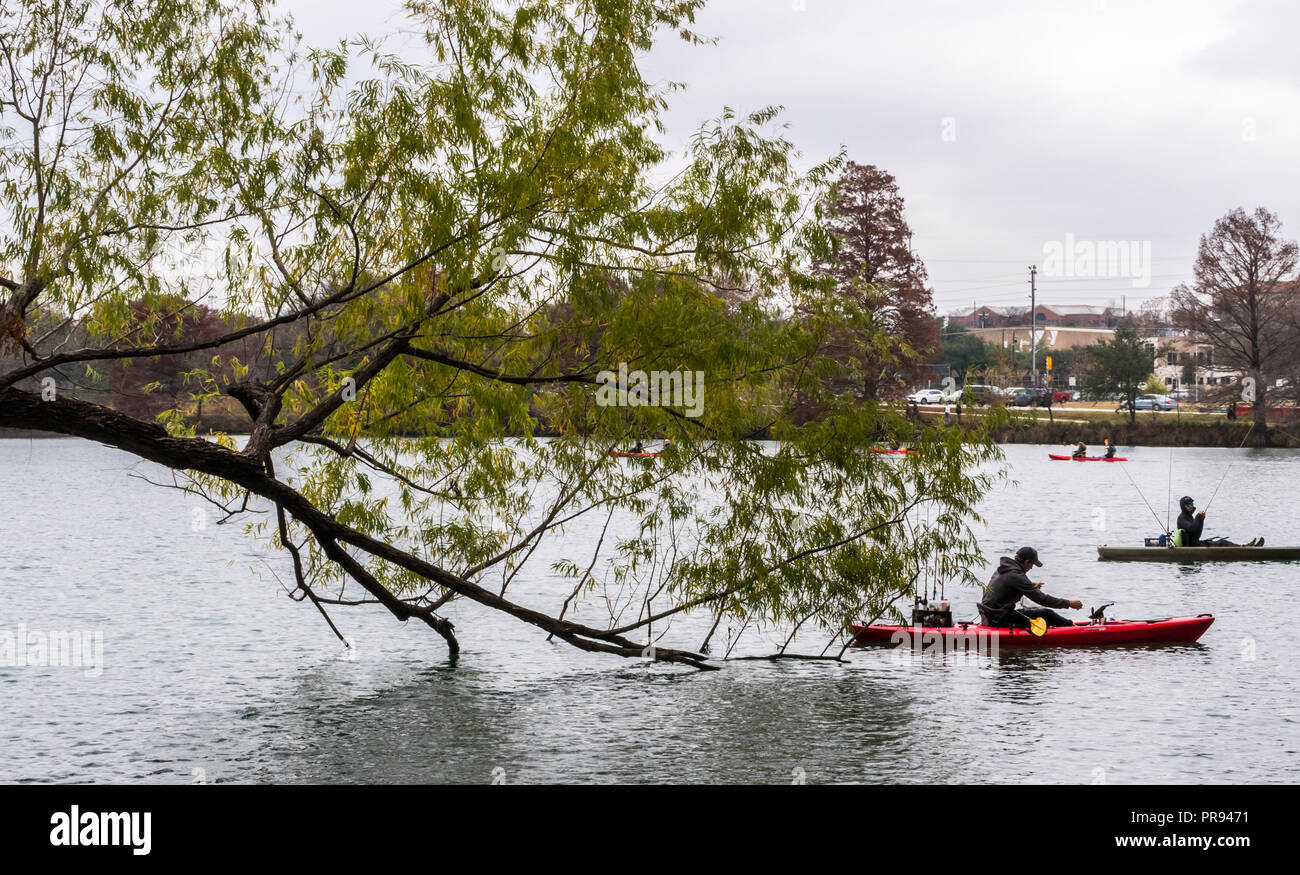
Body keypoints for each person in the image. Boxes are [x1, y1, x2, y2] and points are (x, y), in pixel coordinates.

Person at [977, 547, 1083, 630]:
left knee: (1044, 614)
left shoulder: (1004, 569)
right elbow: (1042, 599)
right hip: (999, 618)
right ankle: (1075, 630)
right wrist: (1069, 603)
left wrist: (1030, 586)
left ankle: (1071, 626)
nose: (1031, 568)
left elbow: (1008, 585)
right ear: (1026, 562)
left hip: (989, 615)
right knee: (1047, 615)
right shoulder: (1017, 576)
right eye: (1032, 564)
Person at [1176, 496, 1260, 547]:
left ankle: (1244, 547)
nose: (1191, 506)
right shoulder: (1182, 518)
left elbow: (1196, 534)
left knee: (1217, 538)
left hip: (1196, 543)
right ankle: (1244, 548)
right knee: (1221, 542)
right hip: (1192, 547)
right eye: (1188, 505)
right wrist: (1198, 518)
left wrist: (1201, 520)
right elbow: (1192, 529)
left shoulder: (1189, 517)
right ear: (1183, 507)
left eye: (1192, 504)